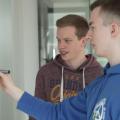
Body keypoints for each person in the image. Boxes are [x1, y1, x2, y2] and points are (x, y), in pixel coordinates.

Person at [0, 0, 120, 119]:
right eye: (58, 40)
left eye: (93, 28)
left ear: (113, 30)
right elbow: (55, 113)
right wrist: (10, 88)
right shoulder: (99, 84)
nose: (89, 35)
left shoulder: (99, 76)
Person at [29, 14, 103, 120]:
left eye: (67, 41)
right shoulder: (45, 72)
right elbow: (35, 113)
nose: (60, 46)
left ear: (83, 42)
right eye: (59, 40)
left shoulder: (99, 74)